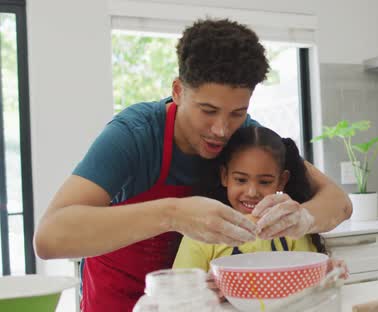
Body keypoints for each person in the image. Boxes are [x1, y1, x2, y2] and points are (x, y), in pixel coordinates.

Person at [33, 18, 352, 312]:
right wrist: (173, 214)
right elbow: (48, 238)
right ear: (178, 91)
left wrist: (304, 219)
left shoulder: (244, 136)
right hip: (119, 304)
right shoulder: (133, 136)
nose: (222, 130)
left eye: (236, 112)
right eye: (208, 110)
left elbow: (338, 203)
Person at [173, 126, 348, 301]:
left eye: (264, 182)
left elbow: (308, 287)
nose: (251, 192)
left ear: (281, 181)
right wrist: (202, 291)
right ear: (224, 176)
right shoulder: (201, 232)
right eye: (241, 180)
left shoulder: (292, 230)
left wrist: (326, 274)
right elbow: (177, 293)